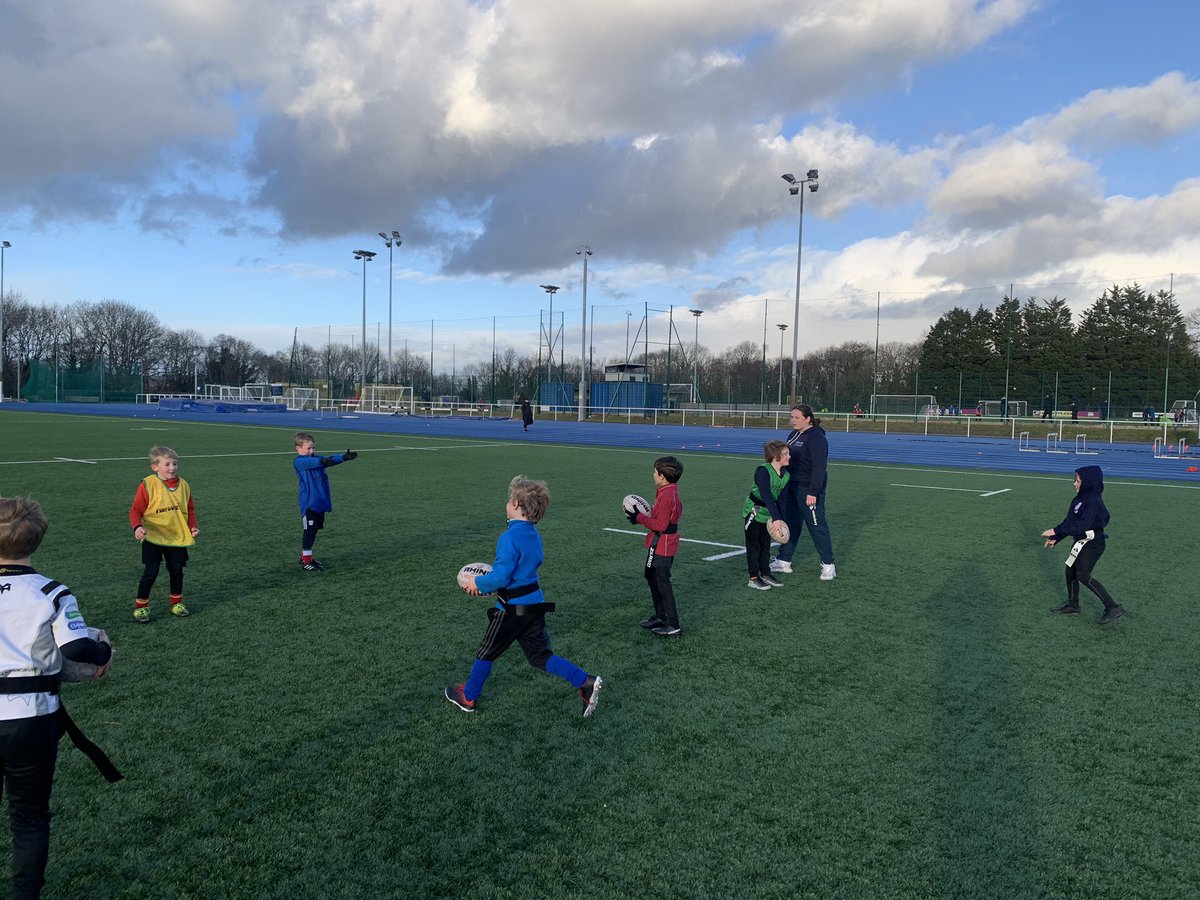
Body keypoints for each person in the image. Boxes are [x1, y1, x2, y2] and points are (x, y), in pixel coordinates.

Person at [1, 496, 116, 899]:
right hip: (30, 718)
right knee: (28, 816)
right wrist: (103, 652)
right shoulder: (50, 591)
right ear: (38, 539)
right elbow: (76, 648)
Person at [446, 477, 603, 715]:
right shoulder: (533, 534)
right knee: (540, 656)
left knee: (486, 653)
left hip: (512, 610)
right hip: (534, 604)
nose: (507, 503)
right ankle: (585, 682)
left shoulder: (508, 537)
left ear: (516, 504)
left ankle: (468, 697)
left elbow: (500, 578)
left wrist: (477, 582)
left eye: (510, 499)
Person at [1041, 465, 1125, 625]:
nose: (1074, 483)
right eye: (1075, 480)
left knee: (1083, 575)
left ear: (1089, 482)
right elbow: (1070, 522)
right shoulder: (1078, 499)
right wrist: (1056, 537)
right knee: (1070, 570)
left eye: (1078, 481)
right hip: (1080, 541)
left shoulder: (1094, 501)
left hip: (1093, 543)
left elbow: (1082, 525)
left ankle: (1112, 607)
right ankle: (1073, 605)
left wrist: (1054, 530)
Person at [129, 446, 199, 622]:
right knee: (151, 572)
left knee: (177, 570)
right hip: (153, 536)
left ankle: (176, 604)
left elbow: (189, 509)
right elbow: (135, 510)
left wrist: (192, 526)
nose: (172, 468)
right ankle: (141, 607)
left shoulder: (184, 485)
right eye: (167, 464)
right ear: (155, 467)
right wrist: (137, 527)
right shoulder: (148, 484)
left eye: (175, 463)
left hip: (176, 536)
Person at [771, 404, 837, 580]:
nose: (793, 420)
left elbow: (819, 467)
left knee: (817, 525)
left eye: (797, 417)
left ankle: (828, 565)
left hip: (808, 488)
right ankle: (784, 560)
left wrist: (813, 491)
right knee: (791, 524)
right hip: (791, 486)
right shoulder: (793, 435)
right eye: (791, 417)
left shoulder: (816, 437)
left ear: (808, 419)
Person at [628, 456, 684, 635]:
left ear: (662, 476)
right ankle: (661, 616)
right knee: (651, 576)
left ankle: (673, 625)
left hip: (664, 545)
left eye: (654, 472)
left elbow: (660, 525)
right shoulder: (667, 490)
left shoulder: (667, 495)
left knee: (662, 582)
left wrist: (638, 517)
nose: (653, 475)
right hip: (657, 542)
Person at [293, 432, 357, 572]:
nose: (311, 451)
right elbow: (312, 462)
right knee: (309, 531)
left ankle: (305, 557)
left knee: (315, 529)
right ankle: (306, 562)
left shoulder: (316, 458)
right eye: (308, 448)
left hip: (320, 502)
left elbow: (329, 459)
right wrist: (322, 462)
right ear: (298, 448)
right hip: (309, 503)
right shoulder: (299, 462)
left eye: (313, 448)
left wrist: (343, 458)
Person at [743, 441, 789, 591]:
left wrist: (781, 520)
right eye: (785, 454)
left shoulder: (786, 474)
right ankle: (753, 577)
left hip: (769, 513)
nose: (789, 456)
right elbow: (766, 496)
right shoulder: (763, 471)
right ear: (775, 456)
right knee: (753, 545)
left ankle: (765, 573)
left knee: (765, 545)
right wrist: (776, 518)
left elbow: (782, 499)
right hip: (754, 511)